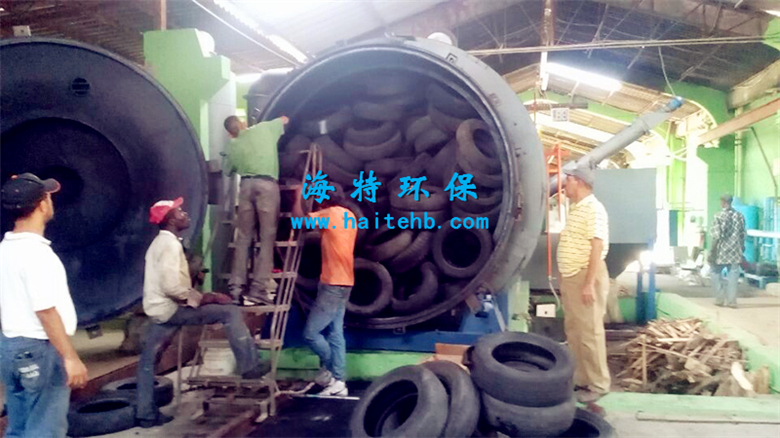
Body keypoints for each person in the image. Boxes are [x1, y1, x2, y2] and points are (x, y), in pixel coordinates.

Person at [135, 197, 268, 428]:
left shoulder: (159, 243)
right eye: (179, 212)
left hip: (158, 311)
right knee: (230, 311)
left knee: (148, 361)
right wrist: (206, 298)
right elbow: (172, 288)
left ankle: (145, 414)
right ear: (170, 220)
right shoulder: (169, 245)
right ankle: (250, 367)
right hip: (172, 309)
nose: (185, 214)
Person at [0, 173, 88, 437]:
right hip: (40, 349)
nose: (51, 202)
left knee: (19, 428)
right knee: (45, 430)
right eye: (48, 197)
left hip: (10, 346)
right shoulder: (37, 254)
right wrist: (70, 357)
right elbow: (46, 311)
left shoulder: (5, 250)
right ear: (41, 205)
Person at [556, 163, 611, 404]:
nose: (564, 185)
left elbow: (597, 246)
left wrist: (588, 284)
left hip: (585, 276)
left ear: (578, 181)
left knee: (590, 331)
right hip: (572, 276)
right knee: (575, 330)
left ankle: (599, 383)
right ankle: (581, 379)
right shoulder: (577, 207)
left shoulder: (593, 208)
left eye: (567, 180)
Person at [294, 186, 356, 396]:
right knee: (336, 334)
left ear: (323, 202)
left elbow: (299, 222)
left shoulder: (328, 214)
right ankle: (339, 383)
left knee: (311, 334)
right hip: (346, 282)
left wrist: (297, 195)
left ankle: (331, 371)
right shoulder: (350, 216)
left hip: (332, 283)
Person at [224, 115, 289, 305]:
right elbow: (285, 119)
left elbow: (227, 170)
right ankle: (258, 289)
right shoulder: (263, 128)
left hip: (245, 187)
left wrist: (234, 140)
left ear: (230, 132)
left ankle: (236, 290)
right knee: (267, 238)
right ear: (242, 123)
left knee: (243, 237)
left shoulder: (233, 144)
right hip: (266, 186)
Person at [709, 194, 746, 308]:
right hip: (735, 251)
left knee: (714, 271)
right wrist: (742, 248)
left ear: (723, 202)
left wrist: (712, 252)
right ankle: (732, 301)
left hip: (721, 251)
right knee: (733, 275)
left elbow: (716, 236)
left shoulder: (718, 216)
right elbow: (742, 235)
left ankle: (720, 299)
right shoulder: (739, 216)